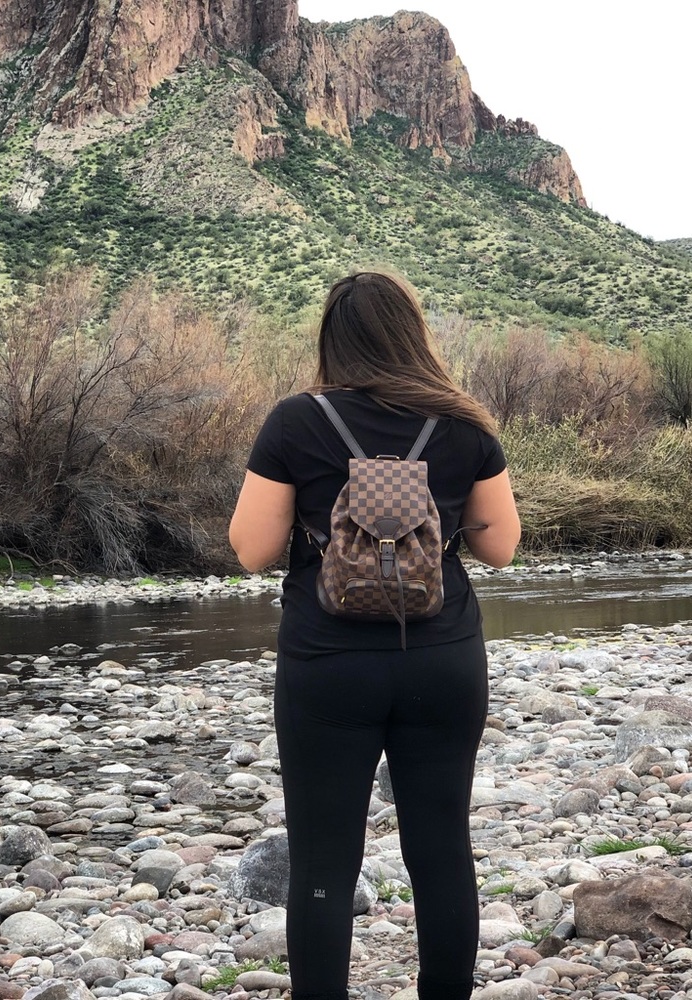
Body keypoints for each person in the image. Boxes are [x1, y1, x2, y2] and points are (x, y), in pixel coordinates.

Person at [229, 271, 521, 1000]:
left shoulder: (295, 422)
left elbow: (251, 549)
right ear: (414, 333)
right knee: (442, 848)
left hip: (328, 664)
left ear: (333, 338)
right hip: (443, 658)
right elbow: (501, 547)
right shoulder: (465, 424)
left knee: (324, 860)